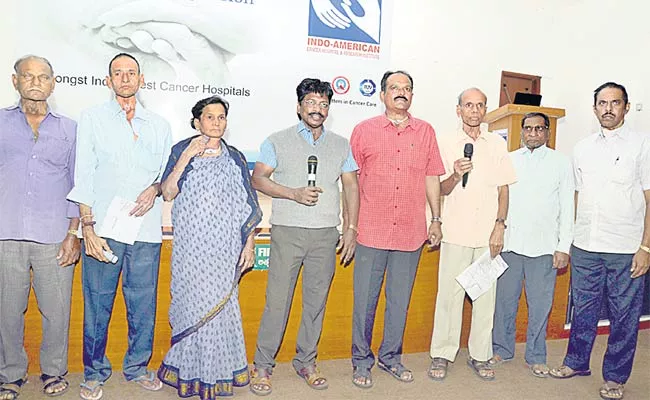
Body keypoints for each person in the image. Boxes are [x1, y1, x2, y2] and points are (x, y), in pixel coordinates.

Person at [66, 53, 172, 400]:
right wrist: (88, 228)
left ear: (142, 80)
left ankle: (138, 366)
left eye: (131, 73)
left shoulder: (159, 124)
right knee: (98, 303)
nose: (124, 78)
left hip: (145, 230)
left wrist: (155, 187)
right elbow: (83, 175)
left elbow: (165, 178)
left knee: (142, 304)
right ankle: (94, 372)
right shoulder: (92, 119)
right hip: (103, 230)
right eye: (117, 73)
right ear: (108, 81)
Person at [249, 78, 359, 396]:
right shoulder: (277, 140)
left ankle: (306, 361)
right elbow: (258, 179)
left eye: (324, 104)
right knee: (277, 302)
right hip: (288, 231)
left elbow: (351, 185)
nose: (318, 109)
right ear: (299, 107)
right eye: (311, 103)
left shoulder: (340, 144)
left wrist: (351, 229)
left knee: (316, 302)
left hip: (326, 234)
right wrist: (293, 193)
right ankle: (263, 365)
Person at [157, 95, 262, 398]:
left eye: (221, 117)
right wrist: (187, 155)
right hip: (192, 249)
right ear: (196, 121)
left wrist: (250, 242)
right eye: (210, 117)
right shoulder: (182, 149)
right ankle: (191, 373)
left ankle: (219, 374)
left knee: (222, 310)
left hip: (226, 248)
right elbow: (167, 192)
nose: (216, 122)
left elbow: (248, 205)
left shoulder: (236, 157)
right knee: (193, 308)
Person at [550, 82, 650, 400]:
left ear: (625, 106)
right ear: (594, 109)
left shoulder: (642, 145)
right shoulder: (582, 148)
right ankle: (576, 362)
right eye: (602, 103)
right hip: (586, 246)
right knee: (584, 309)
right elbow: (576, 198)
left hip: (625, 248)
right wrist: (567, 242)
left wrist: (646, 247)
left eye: (614, 103)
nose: (608, 108)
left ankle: (616, 377)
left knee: (624, 316)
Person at [349, 70, 445, 388]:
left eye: (407, 88)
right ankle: (361, 362)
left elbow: (432, 177)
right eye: (394, 88)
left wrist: (436, 219)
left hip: (409, 232)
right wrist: (348, 224)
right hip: (370, 231)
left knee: (399, 301)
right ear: (382, 94)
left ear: (412, 95)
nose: (401, 93)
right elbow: (349, 182)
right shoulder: (363, 131)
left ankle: (391, 357)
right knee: (365, 300)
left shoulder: (426, 131)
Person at [0, 55, 80, 400]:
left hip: (55, 235)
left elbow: (79, 184)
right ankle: (10, 374)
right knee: (6, 310)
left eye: (43, 77)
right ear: (15, 80)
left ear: (53, 83)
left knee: (57, 310)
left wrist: (74, 233)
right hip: (6, 232)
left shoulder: (70, 129)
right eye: (28, 76)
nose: (36, 82)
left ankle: (53, 371)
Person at [428, 88, 516, 382]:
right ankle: (442, 353)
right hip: (455, 232)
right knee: (449, 297)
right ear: (459, 110)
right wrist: (454, 174)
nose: (474, 111)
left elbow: (504, 189)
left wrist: (499, 225)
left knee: (484, 298)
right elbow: (439, 189)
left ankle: (480, 355)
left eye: (480, 106)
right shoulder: (445, 142)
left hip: (487, 236)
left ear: (485, 110)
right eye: (469, 105)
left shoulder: (496, 144)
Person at [490, 112, 574, 377]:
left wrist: (564, 246)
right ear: (522, 132)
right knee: (504, 302)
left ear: (547, 132)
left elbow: (567, 207)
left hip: (545, 248)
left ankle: (536, 356)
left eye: (539, 129)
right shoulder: (509, 160)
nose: (533, 133)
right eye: (528, 129)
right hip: (511, 245)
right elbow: (500, 200)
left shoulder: (561, 162)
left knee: (540, 306)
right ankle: (501, 349)